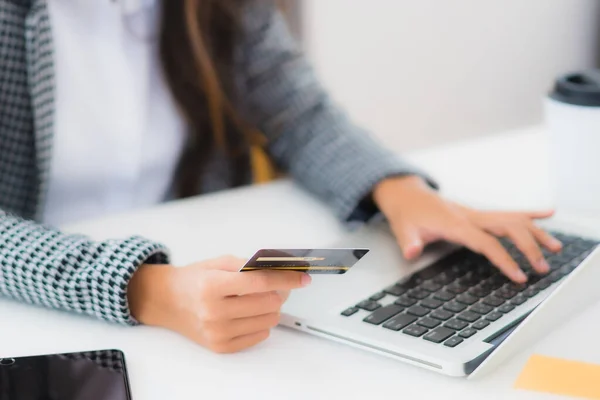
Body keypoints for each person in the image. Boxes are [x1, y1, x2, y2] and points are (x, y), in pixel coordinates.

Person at [0, 0, 562, 354]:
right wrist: (140, 287)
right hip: (45, 306)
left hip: (204, 271)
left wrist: (398, 188)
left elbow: (297, 113)